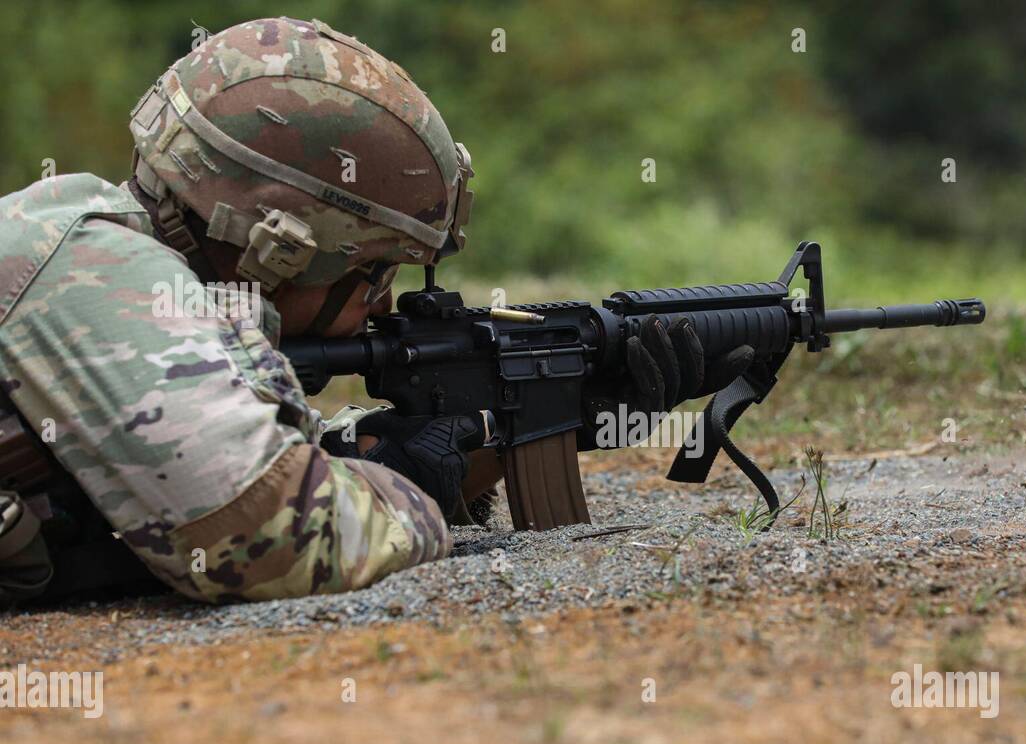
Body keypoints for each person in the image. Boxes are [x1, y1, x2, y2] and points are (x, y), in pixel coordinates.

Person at [0, 17, 719, 604]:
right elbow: (274, 539)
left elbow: (276, 459)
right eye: (373, 274)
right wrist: (412, 487)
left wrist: (533, 419)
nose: (380, 306)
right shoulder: (100, 272)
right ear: (279, 250)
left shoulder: (119, 270)